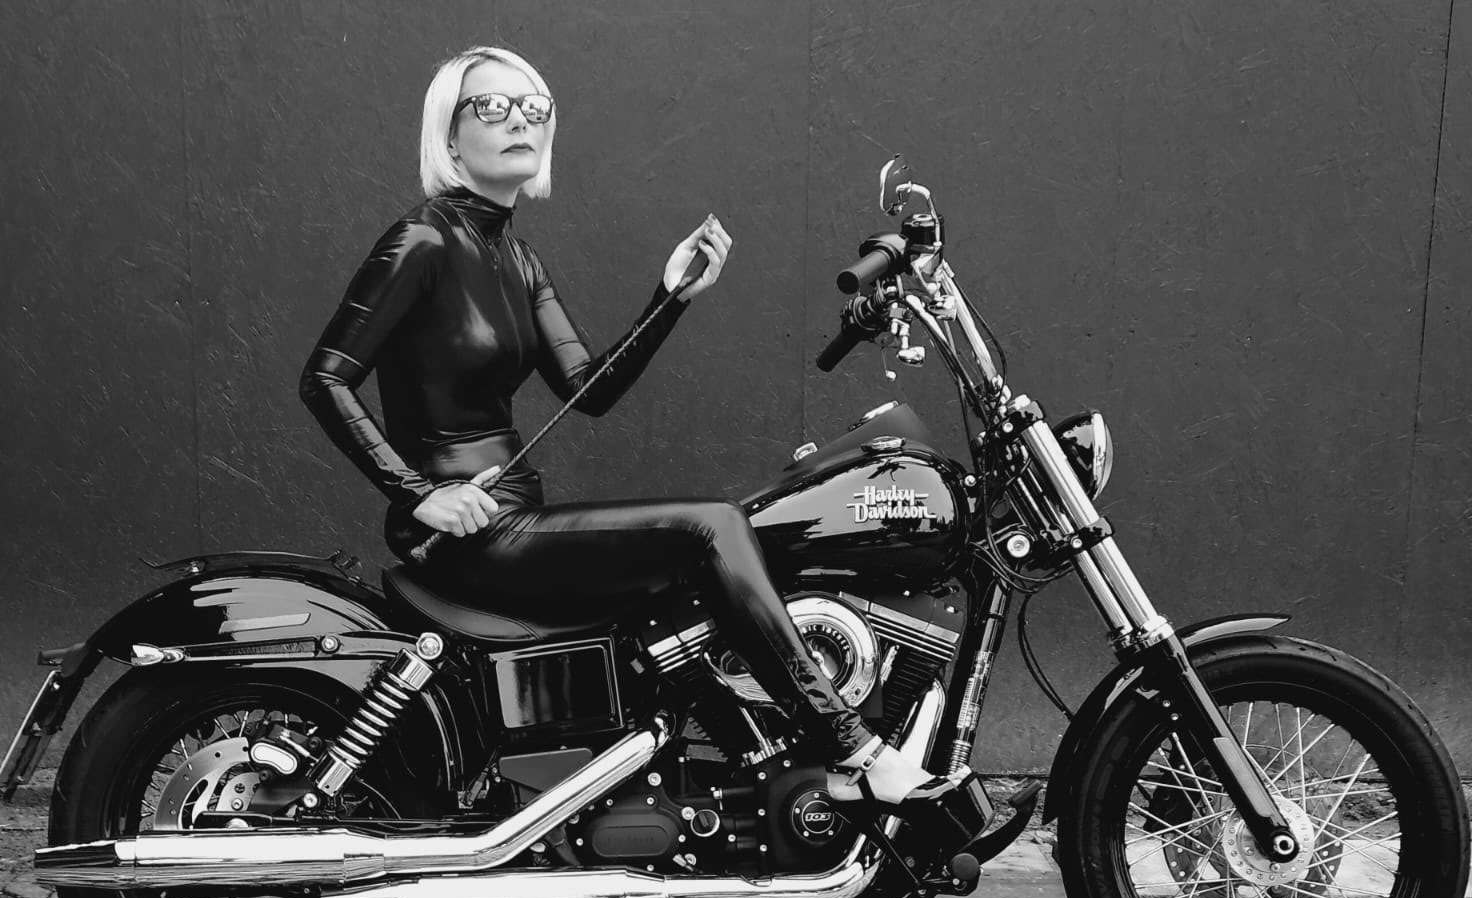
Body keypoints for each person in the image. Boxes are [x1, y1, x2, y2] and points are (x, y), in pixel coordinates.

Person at [298, 45, 976, 841]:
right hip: (471, 534)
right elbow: (325, 377)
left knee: (729, 540)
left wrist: (670, 296)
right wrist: (420, 494)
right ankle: (856, 751)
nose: (519, 120)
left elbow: (588, 390)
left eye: (534, 107)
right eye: (492, 106)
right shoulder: (421, 241)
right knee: (712, 527)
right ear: (448, 137)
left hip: (513, 514)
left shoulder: (515, 257)